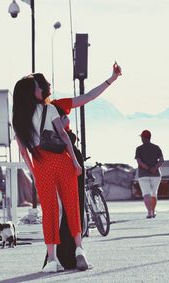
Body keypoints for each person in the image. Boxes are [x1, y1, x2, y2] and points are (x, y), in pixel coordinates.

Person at [31, 63, 121, 269]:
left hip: (48, 159)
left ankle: (56, 257)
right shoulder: (55, 106)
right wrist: (112, 79)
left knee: (55, 209)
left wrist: (111, 79)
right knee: (74, 205)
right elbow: (88, 97)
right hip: (69, 155)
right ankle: (77, 251)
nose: (49, 84)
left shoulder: (39, 110)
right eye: (45, 83)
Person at [12, 76, 88, 273]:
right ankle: (79, 249)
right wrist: (74, 161)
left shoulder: (18, 118)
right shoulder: (50, 108)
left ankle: (53, 260)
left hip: (41, 164)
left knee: (51, 212)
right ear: (30, 92)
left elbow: (23, 151)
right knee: (72, 204)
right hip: (62, 160)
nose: (40, 90)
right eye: (37, 88)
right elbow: (63, 136)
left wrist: (34, 173)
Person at [135, 130, 164, 218]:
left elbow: (139, 161)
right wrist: (154, 168)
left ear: (143, 138)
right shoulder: (156, 147)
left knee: (146, 194)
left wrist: (147, 168)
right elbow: (161, 161)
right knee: (154, 194)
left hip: (143, 175)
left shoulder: (139, 149)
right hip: (156, 174)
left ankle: (149, 212)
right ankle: (153, 211)